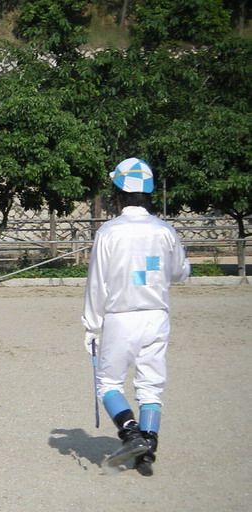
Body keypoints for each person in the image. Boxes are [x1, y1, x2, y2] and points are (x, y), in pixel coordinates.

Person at [81, 157, 191, 476]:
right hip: (157, 316)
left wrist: (91, 325)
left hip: (120, 317)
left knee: (108, 383)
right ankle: (148, 451)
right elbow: (179, 272)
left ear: (117, 191)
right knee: (151, 386)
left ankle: (130, 433)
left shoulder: (109, 232)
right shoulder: (165, 230)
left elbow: (96, 283)